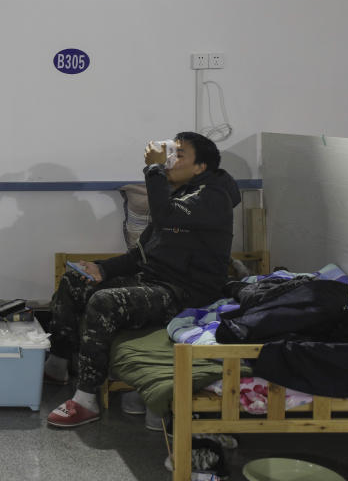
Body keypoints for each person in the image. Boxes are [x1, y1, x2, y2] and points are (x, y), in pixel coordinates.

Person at [44, 132, 240, 428]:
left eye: (180, 154)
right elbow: (142, 253)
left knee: (104, 302)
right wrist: (103, 270)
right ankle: (57, 364)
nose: (170, 159)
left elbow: (163, 216)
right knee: (75, 281)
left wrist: (154, 169)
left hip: (185, 293)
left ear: (200, 167)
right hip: (152, 281)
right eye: (170, 152)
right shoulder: (180, 195)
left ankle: (86, 399)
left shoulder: (213, 199)